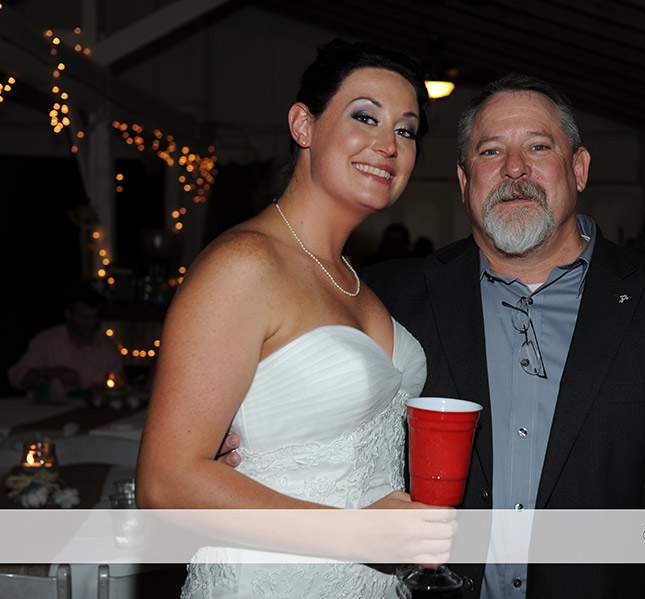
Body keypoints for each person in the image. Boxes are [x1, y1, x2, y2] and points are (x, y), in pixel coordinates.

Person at [361, 73, 645, 598]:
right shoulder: (386, 300)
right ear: (464, 178)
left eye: (538, 147)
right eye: (491, 151)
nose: (514, 168)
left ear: (579, 169)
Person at [135, 39, 454, 599]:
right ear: (303, 125)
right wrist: (356, 535)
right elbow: (164, 484)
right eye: (365, 117)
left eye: (406, 131)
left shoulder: (356, 281)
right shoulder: (245, 265)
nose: (388, 145)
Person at [8, 281, 124, 400]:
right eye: (84, 317)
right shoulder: (46, 341)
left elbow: (120, 388)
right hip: (46, 410)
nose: (92, 323)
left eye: (95, 316)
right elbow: (16, 377)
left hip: (90, 411)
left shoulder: (109, 349)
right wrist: (55, 372)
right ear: (68, 314)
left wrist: (105, 392)